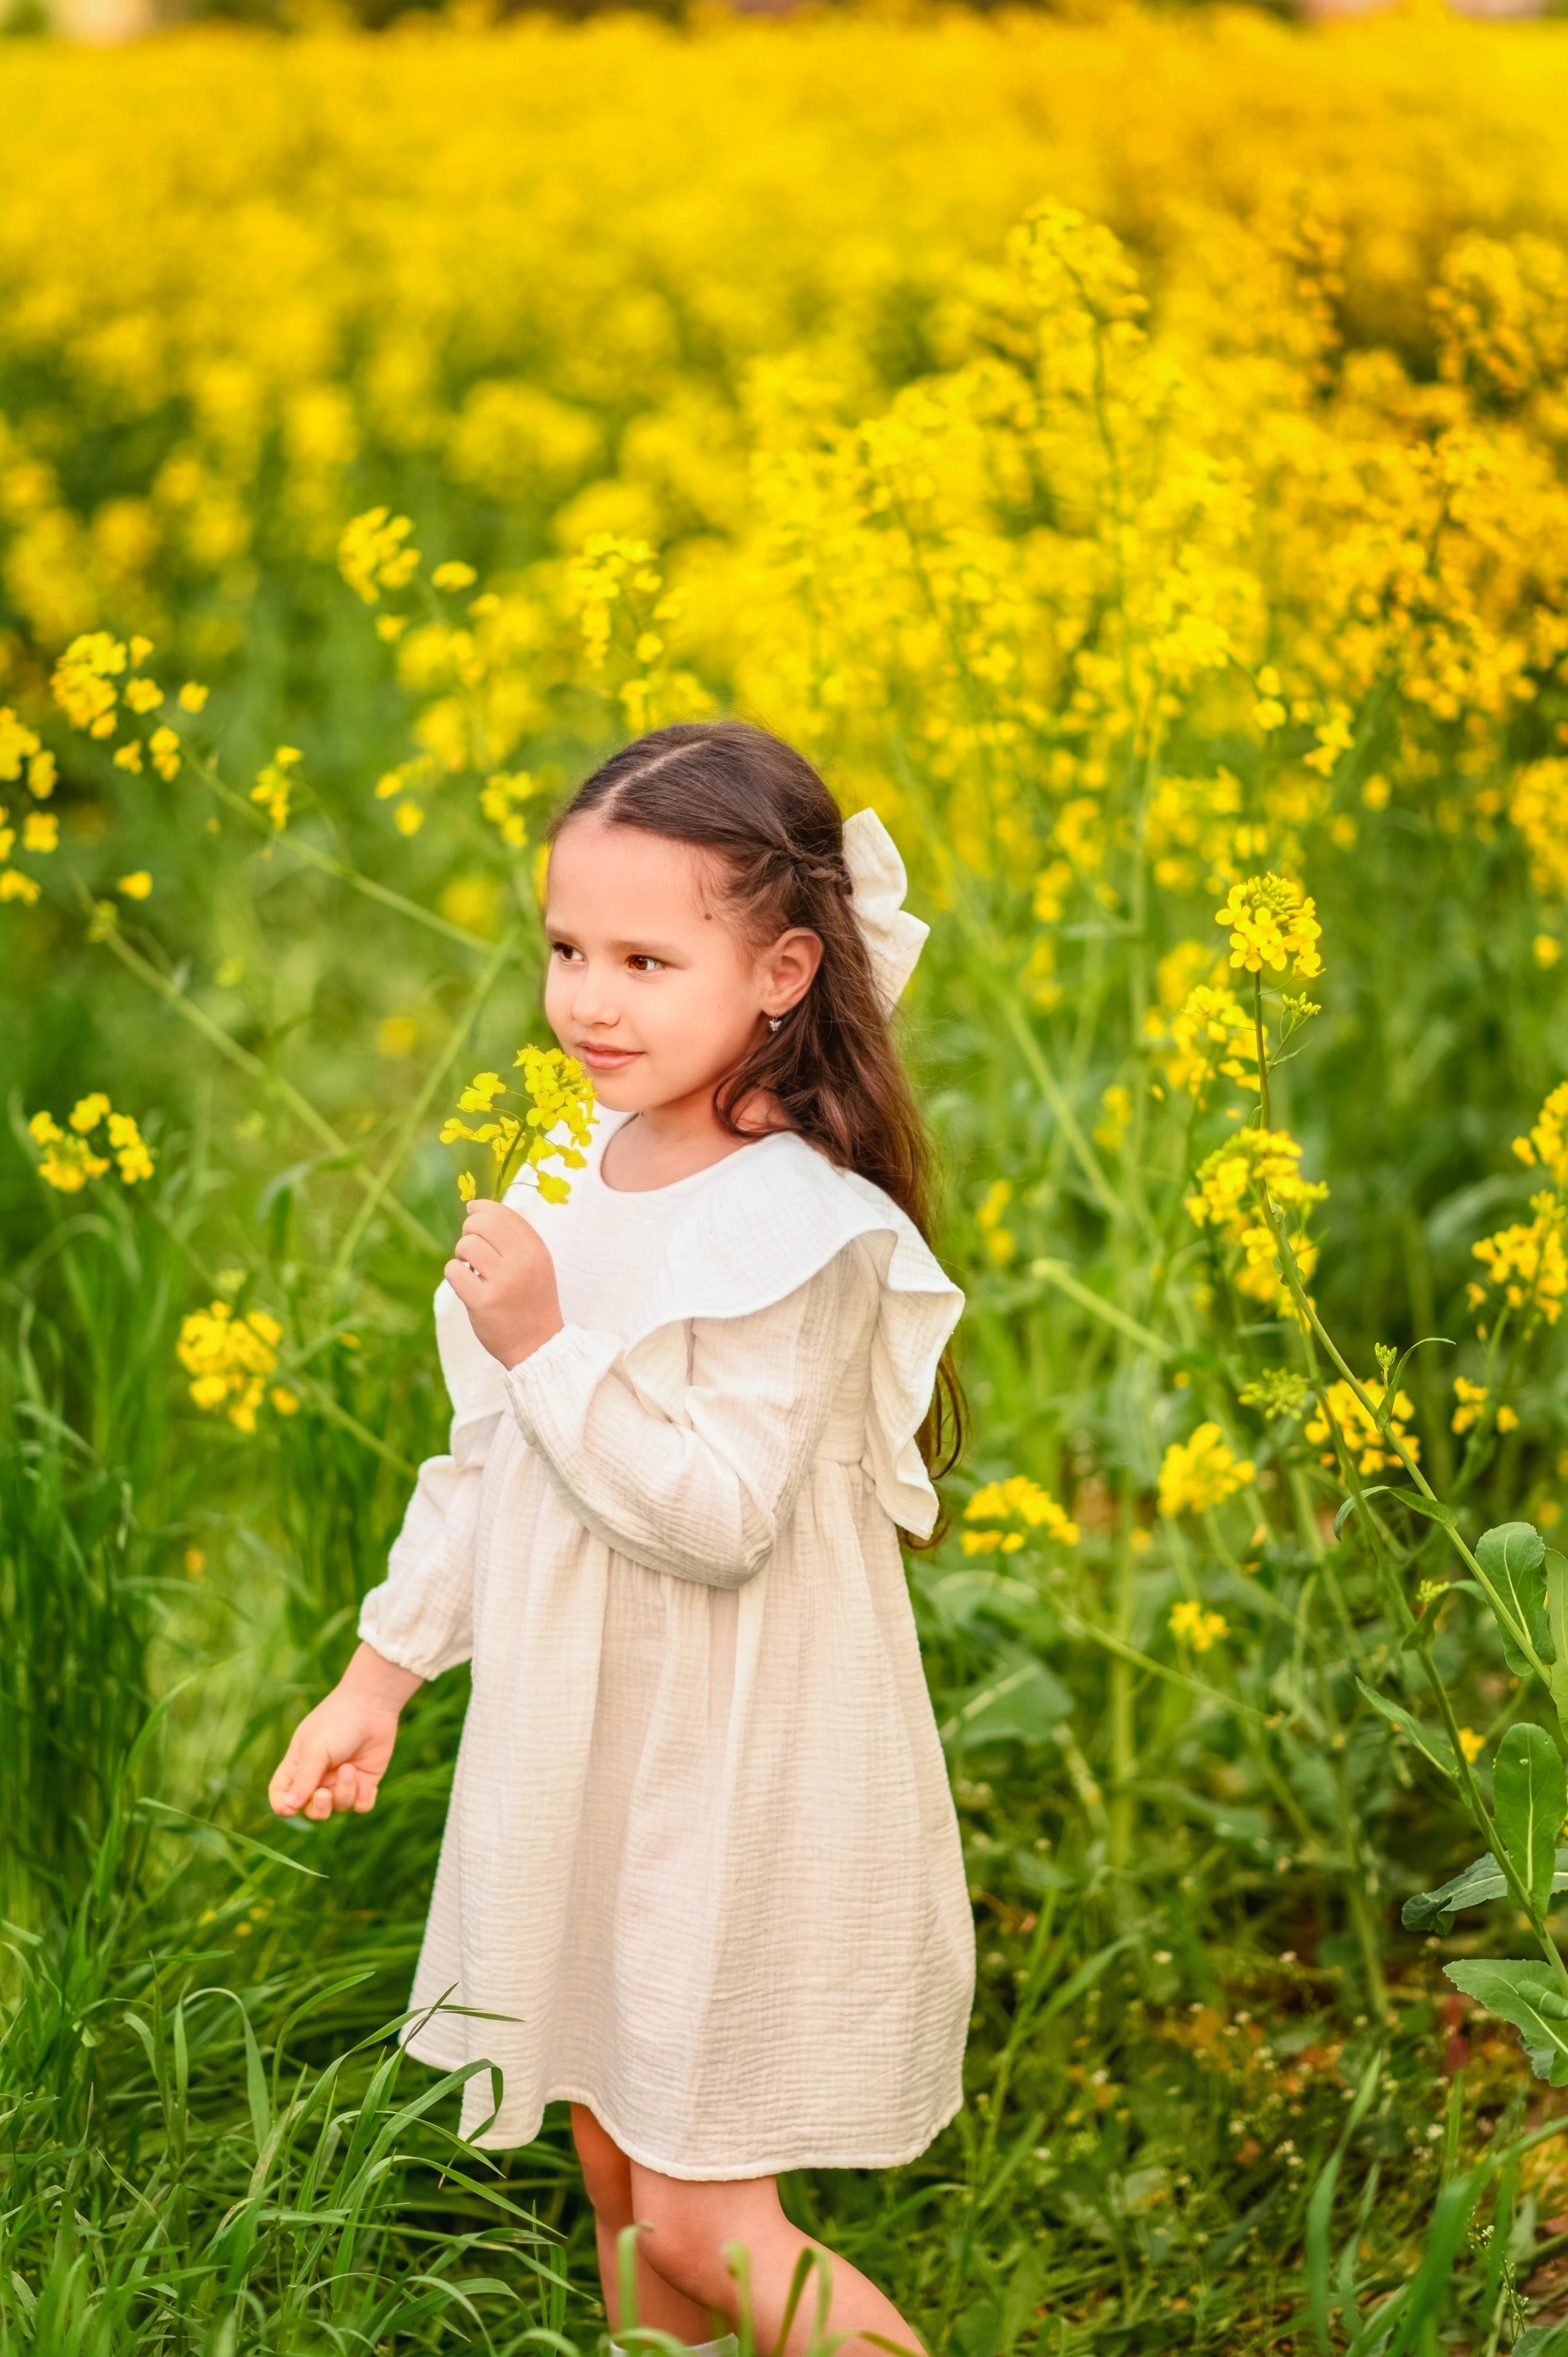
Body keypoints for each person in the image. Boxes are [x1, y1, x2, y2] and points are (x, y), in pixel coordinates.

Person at [268, 721, 974, 2357]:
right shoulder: (569, 1173)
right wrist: (379, 1679)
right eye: (568, 950)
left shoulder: (796, 1226)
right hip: (588, 1752)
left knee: (703, 2216)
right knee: (611, 2159)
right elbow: (493, 1466)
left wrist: (543, 1339)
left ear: (785, 970)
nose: (591, 1000)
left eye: (649, 959)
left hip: (730, 1769)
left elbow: (717, 1521)